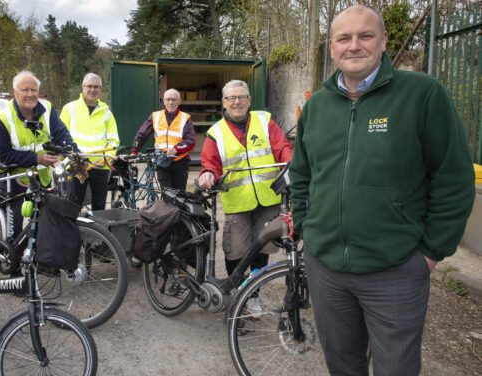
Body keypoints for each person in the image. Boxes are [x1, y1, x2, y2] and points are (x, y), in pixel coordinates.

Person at [289, 5, 475, 375]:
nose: (354, 45)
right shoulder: (316, 107)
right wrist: (308, 229)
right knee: (342, 365)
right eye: (344, 38)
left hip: (396, 271)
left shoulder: (423, 95)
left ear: (384, 41)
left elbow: (454, 179)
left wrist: (430, 253)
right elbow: (302, 174)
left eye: (366, 35)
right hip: (325, 269)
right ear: (332, 46)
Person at [198, 80, 293, 312]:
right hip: (238, 202)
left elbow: (282, 147)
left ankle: (253, 295)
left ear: (249, 100)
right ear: (224, 103)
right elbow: (210, 163)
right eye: (231, 98)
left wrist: (292, 164)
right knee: (235, 251)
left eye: (241, 97)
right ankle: (238, 288)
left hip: (268, 198)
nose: (237, 101)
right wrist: (208, 174)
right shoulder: (215, 133)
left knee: (262, 249)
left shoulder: (264, 120)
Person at [0, 71, 78, 262]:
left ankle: (39, 261)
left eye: (34, 90)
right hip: (12, 181)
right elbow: (4, 155)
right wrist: (36, 158)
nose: (30, 94)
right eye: (25, 90)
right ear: (15, 92)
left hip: (40, 179)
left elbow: (62, 135)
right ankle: (12, 265)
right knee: (13, 232)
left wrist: (75, 153)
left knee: (42, 222)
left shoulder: (47, 108)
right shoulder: (2, 117)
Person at [60, 73, 119, 211]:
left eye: (96, 87)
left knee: (99, 208)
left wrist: (104, 160)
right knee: (73, 206)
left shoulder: (107, 113)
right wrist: (66, 158)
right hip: (76, 166)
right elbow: (61, 138)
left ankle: (96, 232)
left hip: (100, 167)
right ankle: (73, 232)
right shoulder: (69, 109)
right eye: (89, 86)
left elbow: (113, 141)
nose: (93, 90)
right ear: (83, 87)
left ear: (100, 89)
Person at [131, 88, 195, 191]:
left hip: (180, 162)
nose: (171, 102)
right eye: (168, 99)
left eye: (174, 99)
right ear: (164, 101)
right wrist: (135, 150)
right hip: (162, 162)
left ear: (179, 101)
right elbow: (142, 134)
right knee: (167, 195)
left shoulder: (185, 118)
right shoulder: (155, 116)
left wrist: (176, 149)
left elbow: (191, 141)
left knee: (179, 196)